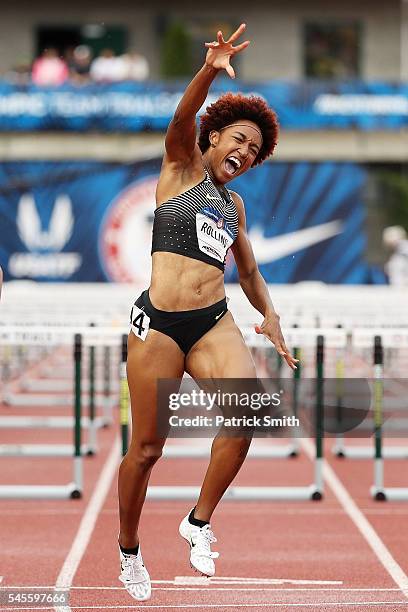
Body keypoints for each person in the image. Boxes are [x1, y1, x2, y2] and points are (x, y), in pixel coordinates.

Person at [117, 23, 298, 602]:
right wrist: (210, 70)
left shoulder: (233, 203)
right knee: (147, 450)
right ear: (213, 136)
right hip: (159, 323)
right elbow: (180, 118)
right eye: (238, 140)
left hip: (212, 321)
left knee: (246, 418)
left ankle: (197, 522)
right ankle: (128, 551)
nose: (244, 153)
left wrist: (269, 315)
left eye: (254, 150)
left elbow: (247, 272)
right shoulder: (182, 166)